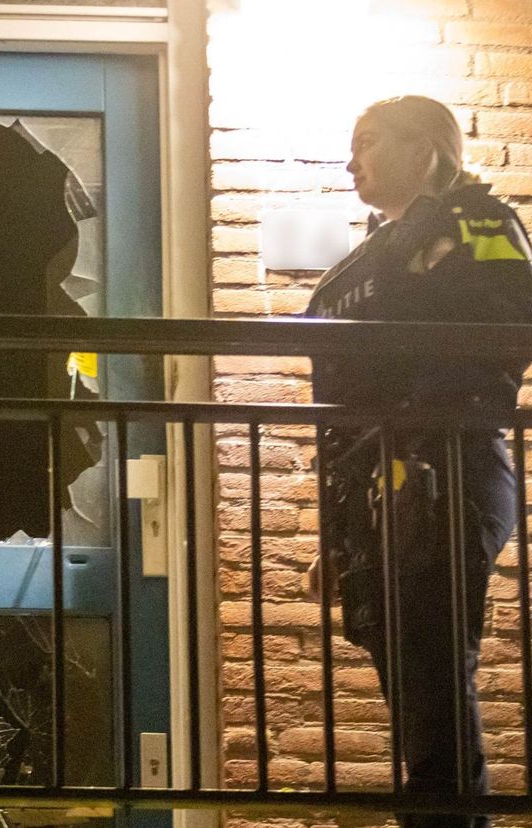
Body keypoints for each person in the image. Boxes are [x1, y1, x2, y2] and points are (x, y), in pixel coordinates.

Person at [303, 95, 532, 828]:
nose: (351, 161)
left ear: (426, 149)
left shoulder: (483, 224)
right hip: (376, 492)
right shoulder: (352, 272)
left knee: (433, 680)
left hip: (450, 467)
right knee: (413, 693)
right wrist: (332, 537)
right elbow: (335, 421)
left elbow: (509, 327)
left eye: (367, 142)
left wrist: (409, 406)